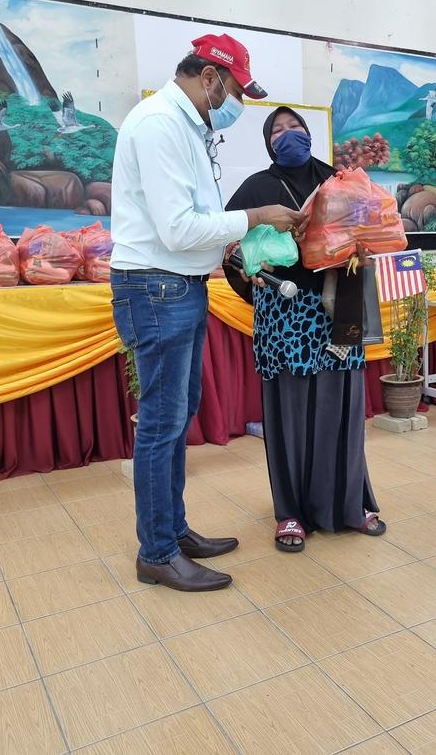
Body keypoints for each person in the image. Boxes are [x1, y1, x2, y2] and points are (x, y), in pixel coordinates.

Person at [110, 35, 306, 591]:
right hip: (156, 287)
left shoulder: (188, 128)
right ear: (210, 76)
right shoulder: (159, 125)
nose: (235, 102)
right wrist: (253, 217)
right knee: (161, 424)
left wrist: (231, 241)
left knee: (176, 416)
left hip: (179, 285)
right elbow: (177, 229)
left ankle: (173, 529)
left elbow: (190, 220)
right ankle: (157, 552)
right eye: (234, 88)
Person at [225, 106, 384, 552]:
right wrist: (248, 266)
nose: (287, 134)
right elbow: (229, 249)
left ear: (310, 133)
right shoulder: (256, 189)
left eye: (295, 126)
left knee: (343, 408)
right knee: (290, 413)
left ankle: (352, 503)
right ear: (267, 141)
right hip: (284, 309)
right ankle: (290, 512)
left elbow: (370, 229)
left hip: (339, 308)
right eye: (277, 130)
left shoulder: (339, 179)